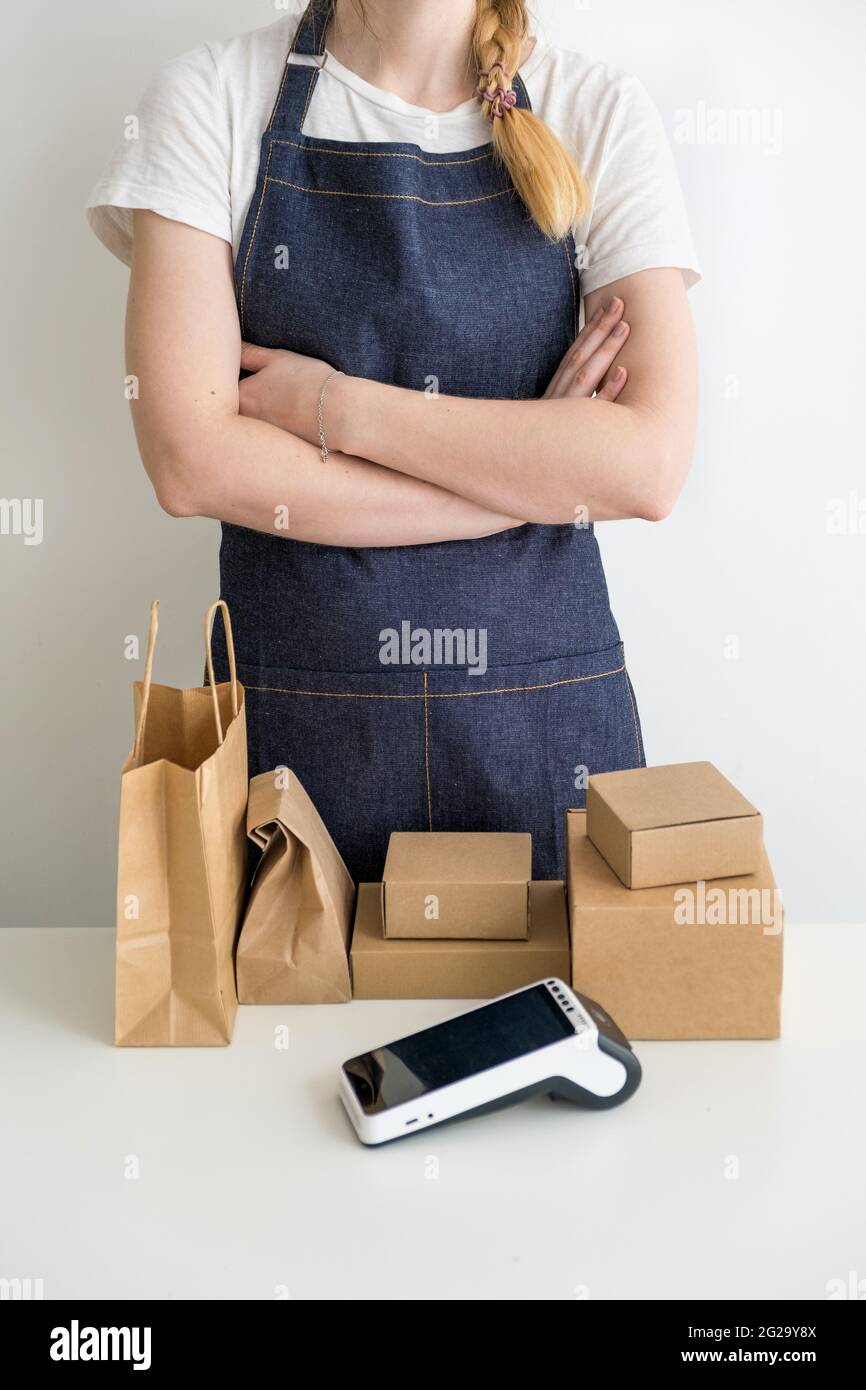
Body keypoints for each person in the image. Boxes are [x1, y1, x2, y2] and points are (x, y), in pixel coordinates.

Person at [88, 0, 700, 882]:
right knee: (297, 1026)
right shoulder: (212, 98)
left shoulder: (596, 109)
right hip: (295, 760)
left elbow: (647, 467)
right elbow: (192, 464)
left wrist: (335, 406)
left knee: (555, 1021)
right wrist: (519, 478)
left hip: (543, 740)